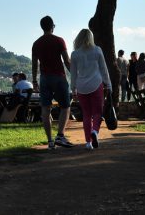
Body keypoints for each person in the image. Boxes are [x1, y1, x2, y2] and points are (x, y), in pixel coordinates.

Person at [31, 15, 73, 150]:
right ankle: (60, 135)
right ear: (52, 26)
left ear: (42, 27)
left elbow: (34, 65)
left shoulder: (36, 43)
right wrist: (76, 74)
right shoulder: (59, 41)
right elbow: (66, 61)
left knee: (45, 109)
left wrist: (34, 81)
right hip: (59, 77)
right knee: (65, 106)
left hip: (44, 78)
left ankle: (49, 141)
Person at [70, 28, 113, 150]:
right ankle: (95, 132)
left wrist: (73, 89)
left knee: (86, 114)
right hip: (96, 84)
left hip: (81, 87)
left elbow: (73, 74)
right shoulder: (97, 50)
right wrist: (108, 85)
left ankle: (88, 143)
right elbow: (104, 70)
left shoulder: (75, 54)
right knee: (97, 112)